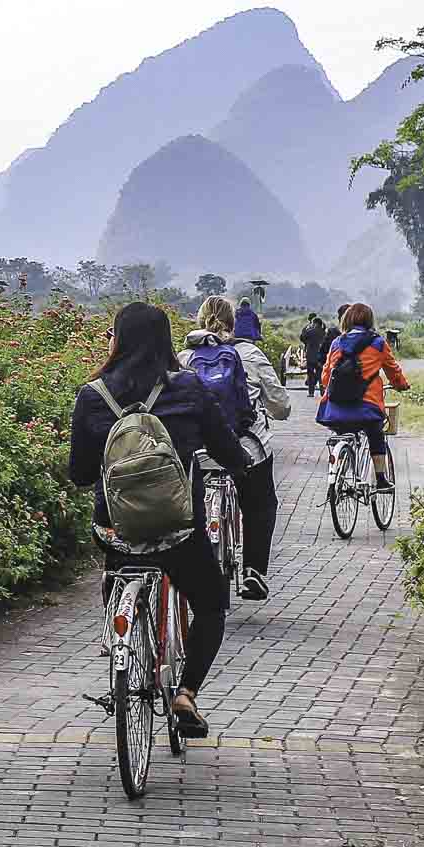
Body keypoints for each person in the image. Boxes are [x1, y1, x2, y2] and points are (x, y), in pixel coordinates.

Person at [69, 301, 249, 737]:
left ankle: (121, 633)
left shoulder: (92, 395)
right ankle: (186, 693)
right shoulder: (188, 387)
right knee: (211, 604)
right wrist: (240, 462)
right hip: (179, 529)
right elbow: (226, 448)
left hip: (116, 529)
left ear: (117, 341)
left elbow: (80, 474)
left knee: (119, 562)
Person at [180, 295, 290, 600]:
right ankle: (254, 571)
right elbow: (280, 406)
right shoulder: (251, 354)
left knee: (189, 509)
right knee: (261, 505)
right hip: (247, 448)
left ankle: (195, 571)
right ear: (233, 322)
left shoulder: (184, 358)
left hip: (200, 451)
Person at [317, 302, 409, 490]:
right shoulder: (378, 343)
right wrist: (401, 385)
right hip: (367, 409)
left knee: (343, 434)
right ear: (369, 320)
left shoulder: (337, 343)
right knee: (376, 435)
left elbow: (326, 376)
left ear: (347, 319)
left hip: (335, 410)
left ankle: (339, 470)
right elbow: (393, 370)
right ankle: (381, 479)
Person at [300, 314, 326, 397]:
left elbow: (302, 338)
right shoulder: (324, 332)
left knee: (310, 374)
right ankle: (322, 391)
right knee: (320, 374)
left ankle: (311, 392)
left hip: (310, 355)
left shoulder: (309, 331)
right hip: (320, 357)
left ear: (314, 323)